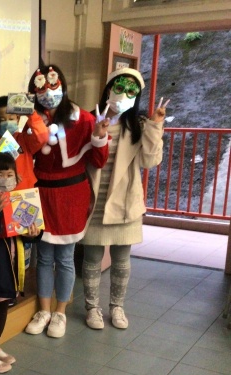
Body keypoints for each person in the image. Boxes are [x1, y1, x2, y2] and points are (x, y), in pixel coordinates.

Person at [23, 65, 110, 338]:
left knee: (65, 258)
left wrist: (99, 135)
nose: (48, 93)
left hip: (71, 195)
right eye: (41, 89)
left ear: (62, 85)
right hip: (40, 193)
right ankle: (44, 310)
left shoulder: (83, 119)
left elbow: (99, 161)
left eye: (52, 86)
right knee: (43, 257)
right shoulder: (30, 118)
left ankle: (60, 312)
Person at [81, 68, 167, 329]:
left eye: (132, 91)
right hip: (94, 199)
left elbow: (150, 161)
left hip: (125, 201)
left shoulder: (138, 124)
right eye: (119, 87)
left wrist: (155, 125)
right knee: (92, 259)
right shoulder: (90, 119)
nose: (124, 94)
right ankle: (92, 308)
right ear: (108, 89)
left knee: (121, 260)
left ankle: (117, 307)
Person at [0, 153, 41, 372]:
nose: (5, 179)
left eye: (9, 174)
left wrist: (33, 234)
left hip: (11, 264)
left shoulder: (19, 199)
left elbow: (24, 231)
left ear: (16, 176)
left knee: (3, 302)